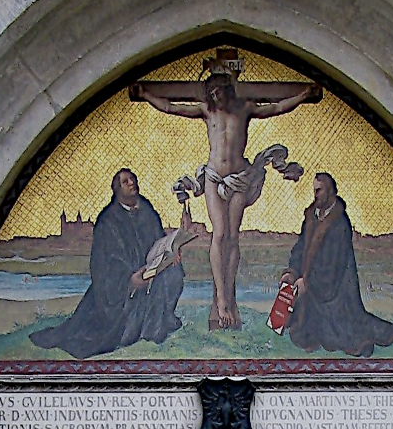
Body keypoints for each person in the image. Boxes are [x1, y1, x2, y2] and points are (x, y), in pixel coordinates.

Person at [130, 49, 320, 330]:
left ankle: (229, 297)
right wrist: (146, 94)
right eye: (212, 92)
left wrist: (303, 95)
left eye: (219, 90)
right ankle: (221, 300)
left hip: (240, 177)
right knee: (219, 235)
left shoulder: (245, 108)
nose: (216, 95)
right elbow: (171, 107)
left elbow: (276, 107)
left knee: (232, 237)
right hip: (214, 177)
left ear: (228, 90)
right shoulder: (207, 111)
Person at [30, 169, 198, 359]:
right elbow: (104, 265)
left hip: (151, 270)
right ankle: (135, 331)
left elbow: (159, 239)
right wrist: (129, 280)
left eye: (133, 179)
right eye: (125, 181)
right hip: (120, 288)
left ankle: (159, 323)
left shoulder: (146, 210)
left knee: (174, 273)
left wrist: (171, 253)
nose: (132, 183)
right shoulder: (107, 220)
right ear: (117, 189)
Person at [282, 173, 393, 357]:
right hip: (312, 281)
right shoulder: (311, 217)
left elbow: (332, 265)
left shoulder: (339, 223)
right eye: (314, 190)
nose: (315, 195)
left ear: (330, 192)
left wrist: (307, 282)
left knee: (340, 335)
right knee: (292, 310)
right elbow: (301, 247)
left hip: (335, 292)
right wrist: (293, 272)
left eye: (319, 190)